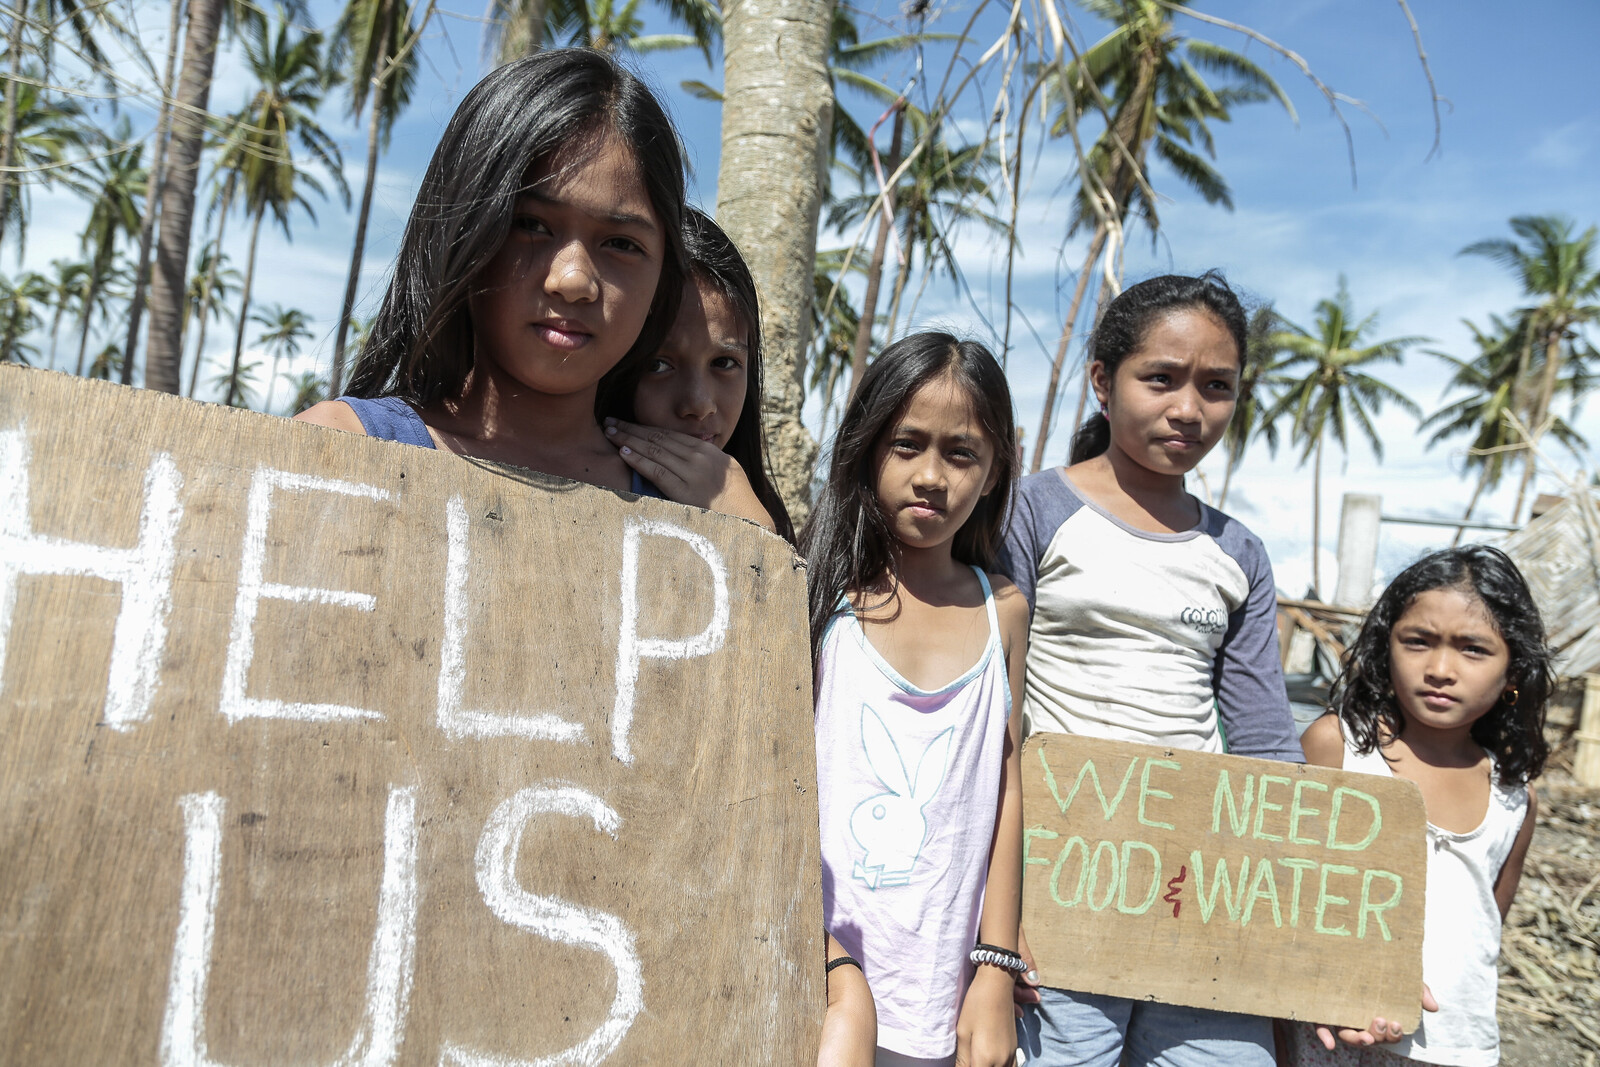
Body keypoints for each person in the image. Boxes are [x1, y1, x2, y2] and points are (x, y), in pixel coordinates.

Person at [998, 273, 1302, 1066]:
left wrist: (1298, 933)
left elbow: (1268, 741)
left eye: (1217, 387)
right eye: (1160, 378)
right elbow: (996, 701)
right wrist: (1000, 907)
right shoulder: (1031, 510)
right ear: (1103, 381)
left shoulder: (1237, 553)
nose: (1189, 409)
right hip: (1061, 880)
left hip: (1199, 893)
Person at [296, 48, 684, 496]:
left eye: (621, 244)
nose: (574, 281)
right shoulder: (337, 450)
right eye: (530, 225)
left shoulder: (694, 512)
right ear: (461, 234)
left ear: (662, 280)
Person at [802, 332, 1028, 1067]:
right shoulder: (817, 592)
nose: (932, 475)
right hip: (819, 980)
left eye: (961, 453)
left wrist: (994, 966)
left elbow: (1006, 782)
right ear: (867, 448)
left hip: (940, 988)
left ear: (996, 470)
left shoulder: (1005, 610)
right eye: (907, 444)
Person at [1289, 545, 1548, 1066]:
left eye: (1473, 649)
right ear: (1387, 648)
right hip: (1333, 1031)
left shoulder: (1513, 798)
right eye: (1418, 641)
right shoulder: (1340, 749)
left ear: (1513, 670)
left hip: (1455, 1045)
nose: (1441, 669)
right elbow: (1283, 894)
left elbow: (1484, 927)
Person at [596, 207, 794, 538]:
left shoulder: (755, 505)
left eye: (724, 363)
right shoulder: (593, 489)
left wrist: (754, 531)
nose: (699, 404)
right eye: (658, 365)